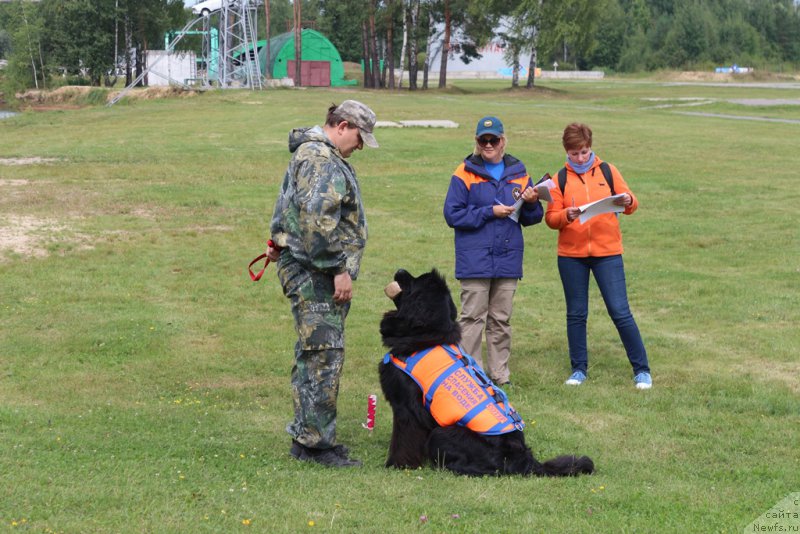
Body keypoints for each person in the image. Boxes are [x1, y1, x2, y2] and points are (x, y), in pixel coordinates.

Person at [267, 100, 378, 467]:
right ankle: (317, 446)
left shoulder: (313, 153)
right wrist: (338, 270)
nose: (360, 147)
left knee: (311, 354)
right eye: (360, 138)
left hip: (306, 266)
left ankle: (306, 436)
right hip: (315, 272)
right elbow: (318, 222)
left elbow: (293, 210)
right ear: (343, 125)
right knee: (324, 357)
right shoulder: (321, 160)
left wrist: (280, 240)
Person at [545, 122, 652, 389]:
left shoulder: (608, 170)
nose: (580, 158)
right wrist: (565, 216)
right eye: (574, 153)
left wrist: (628, 200)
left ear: (590, 148)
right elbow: (551, 218)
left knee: (620, 311)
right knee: (576, 314)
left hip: (608, 253)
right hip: (571, 256)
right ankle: (578, 369)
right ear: (566, 152)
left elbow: (631, 203)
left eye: (584, 152)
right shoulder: (559, 179)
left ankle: (642, 370)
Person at [443, 116, 543, 386]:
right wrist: (490, 211)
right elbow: (452, 214)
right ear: (476, 142)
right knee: (472, 318)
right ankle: (471, 377)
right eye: (483, 140)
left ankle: (499, 375)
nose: (488, 144)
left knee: (501, 319)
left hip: (508, 257)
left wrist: (532, 203)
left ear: (503, 140)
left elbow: (532, 218)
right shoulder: (464, 172)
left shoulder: (519, 172)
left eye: (493, 140)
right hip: (474, 257)